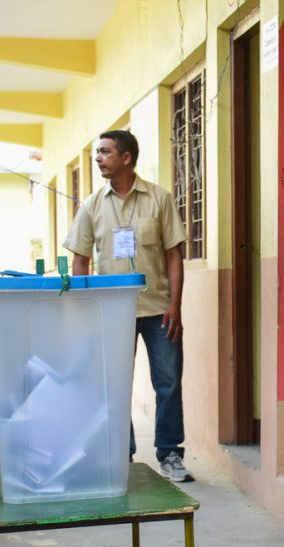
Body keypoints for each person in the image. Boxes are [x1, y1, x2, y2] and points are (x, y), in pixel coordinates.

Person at [64, 129, 194, 483]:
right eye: (97, 153)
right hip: (112, 314)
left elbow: (174, 255)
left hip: (158, 311)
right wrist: (85, 309)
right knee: (115, 385)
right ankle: (123, 457)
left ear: (126, 157)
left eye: (105, 152)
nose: (98, 158)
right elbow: (79, 261)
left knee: (168, 383)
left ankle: (170, 454)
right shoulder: (92, 205)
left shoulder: (159, 199)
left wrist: (175, 306)